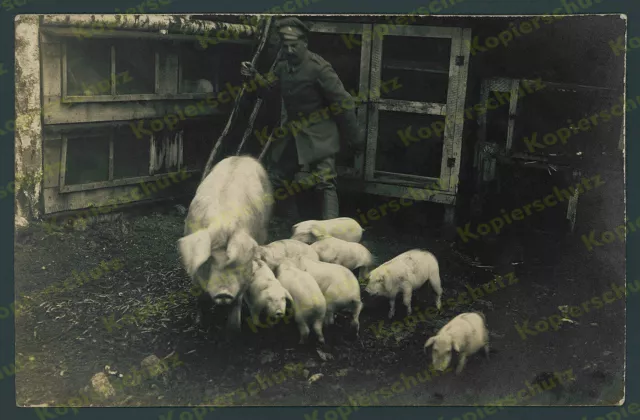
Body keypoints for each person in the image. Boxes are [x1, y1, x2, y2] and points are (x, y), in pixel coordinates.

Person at [241, 17, 364, 221]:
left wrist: (355, 137)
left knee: (325, 182)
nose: (289, 50)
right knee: (276, 177)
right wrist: (253, 76)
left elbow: (343, 103)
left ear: (305, 43)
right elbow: (269, 89)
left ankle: (330, 231)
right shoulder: (282, 66)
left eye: (294, 46)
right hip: (293, 133)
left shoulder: (319, 68)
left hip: (319, 134)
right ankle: (288, 221)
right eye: (286, 46)